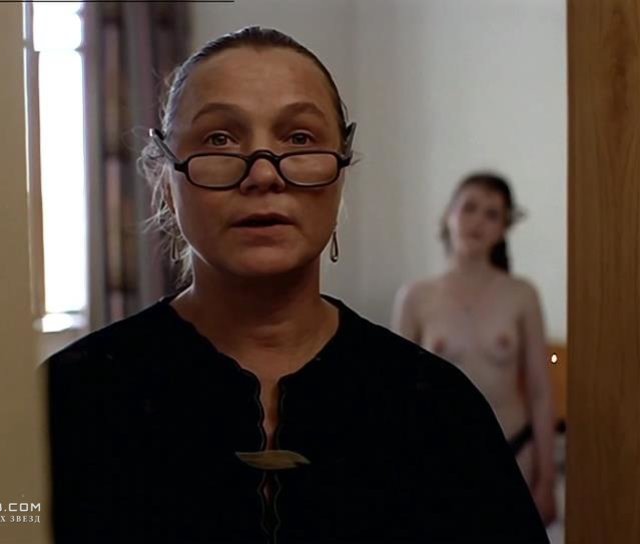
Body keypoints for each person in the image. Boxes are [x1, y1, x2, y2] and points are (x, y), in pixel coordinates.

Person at [45, 27, 549, 543]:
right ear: (166, 182)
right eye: (219, 139)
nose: (264, 175)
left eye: (300, 138)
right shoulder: (71, 399)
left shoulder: (438, 407)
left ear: (341, 172)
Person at [391, 173, 557, 527]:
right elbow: (396, 395)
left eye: (492, 214)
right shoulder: (415, 297)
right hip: (439, 453)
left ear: (504, 229)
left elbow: (541, 391)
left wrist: (546, 481)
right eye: (469, 208)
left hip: (514, 448)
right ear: (448, 215)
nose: (478, 221)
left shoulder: (521, 295)